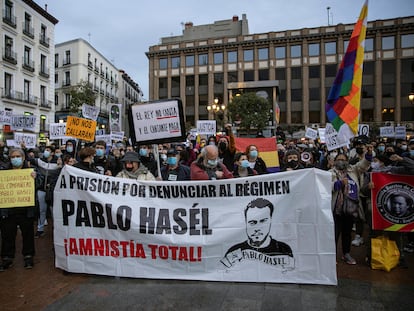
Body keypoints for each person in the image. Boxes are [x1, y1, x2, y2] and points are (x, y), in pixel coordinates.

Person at [221, 198, 293, 267]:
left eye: (263, 221)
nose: (257, 228)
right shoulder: (234, 251)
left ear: (271, 221)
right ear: (245, 223)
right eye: (252, 223)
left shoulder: (283, 249)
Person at [330, 147, 372, 265]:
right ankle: (332, 255)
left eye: (343, 159)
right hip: (336, 209)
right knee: (334, 233)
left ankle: (346, 253)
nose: (341, 161)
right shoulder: (330, 173)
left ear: (347, 161)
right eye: (339, 159)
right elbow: (326, 186)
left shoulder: (353, 170)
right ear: (334, 161)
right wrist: (338, 184)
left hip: (351, 208)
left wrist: (368, 154)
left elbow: (364, 165)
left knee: (347, 232)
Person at [0, 148, 37, 270]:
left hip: (26, 210)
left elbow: (40, 183)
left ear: (23, 158)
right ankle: (7, 258)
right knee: (7, 235)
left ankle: (28, 257)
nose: (15, 159)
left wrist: (35, 178)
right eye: (12, 157)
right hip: (8, 210)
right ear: (10, 158)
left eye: (17, 156)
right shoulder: (4, 171)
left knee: (28, 235)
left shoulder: (30, 170)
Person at [29, 145, 61, 238]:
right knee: (41, 210)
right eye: (45, 150)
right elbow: (28, 159)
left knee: (53, 211)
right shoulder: (40, 160)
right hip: (41, 188)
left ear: (52, 153)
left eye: (48, 150)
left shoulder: (58, 163)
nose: (45, 152)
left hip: (52, 191)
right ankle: (40, 229)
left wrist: (60, 166)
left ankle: (56, 230)